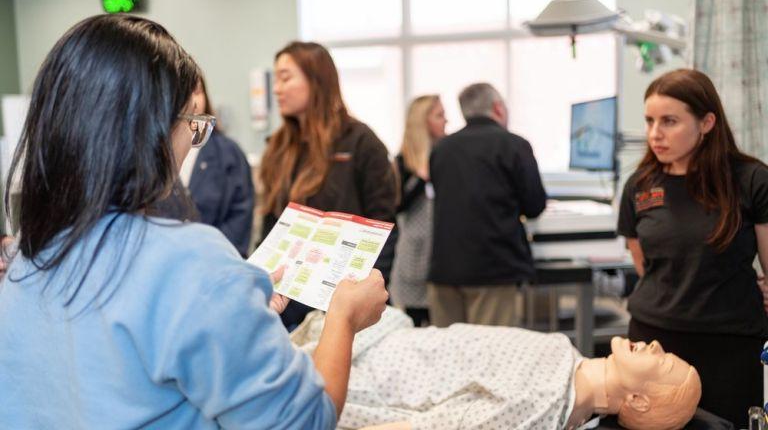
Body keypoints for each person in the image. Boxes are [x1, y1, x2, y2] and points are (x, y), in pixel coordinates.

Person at [0, 14, 388, 429]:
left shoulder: (26, 257)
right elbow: (305, 421)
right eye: (193, 124)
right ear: (150, 129)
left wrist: (232, 300)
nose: (191, 143)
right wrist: (343, 318)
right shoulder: (190, 260)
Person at [617, 68, 768, 427]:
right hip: (653, 344)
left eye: (669, 121)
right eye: (650, 120)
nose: (655, 133)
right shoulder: (639, 185)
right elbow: (645, 265)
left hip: (729, 345)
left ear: (707, 122)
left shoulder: (751, 180)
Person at [291, 308, 702, 430]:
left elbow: (433, 428)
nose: (654, 345)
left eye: (662, 360)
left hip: (361, 376)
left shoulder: (544, 406)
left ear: (637, 401)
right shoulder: (570, 365)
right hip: (373, 342)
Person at [260, 41, 397, 329]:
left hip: (345, 305)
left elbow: (384, 226)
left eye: (286, 77)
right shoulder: (277, 147)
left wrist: (365, 300)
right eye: (276, 79)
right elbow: (270, 227)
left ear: (316, 79)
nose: (276, 89)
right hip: (285, 306)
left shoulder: (360, 142)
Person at [428, 82, 547, 327]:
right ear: (498, 108)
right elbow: (534, 205)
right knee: (490, 357)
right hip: (493, 270)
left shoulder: (441, 149)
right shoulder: (514, 146)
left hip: (444, 270)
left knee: (446, 358)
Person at [178, 78, 255, 257]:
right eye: (183, 92)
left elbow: (240, 217)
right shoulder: (153, 153)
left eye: (197, 92)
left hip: (219, 262)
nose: (193, 101)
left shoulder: (228, 153)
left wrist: (211, 256)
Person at [389, 94, 447, 326]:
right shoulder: (403, 162)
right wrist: (422, 175)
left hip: (444, 259)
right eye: (440, 115)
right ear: (423, 122)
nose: (446, 121)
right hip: (413, 258)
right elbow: (397, 204)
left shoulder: (448, 156)